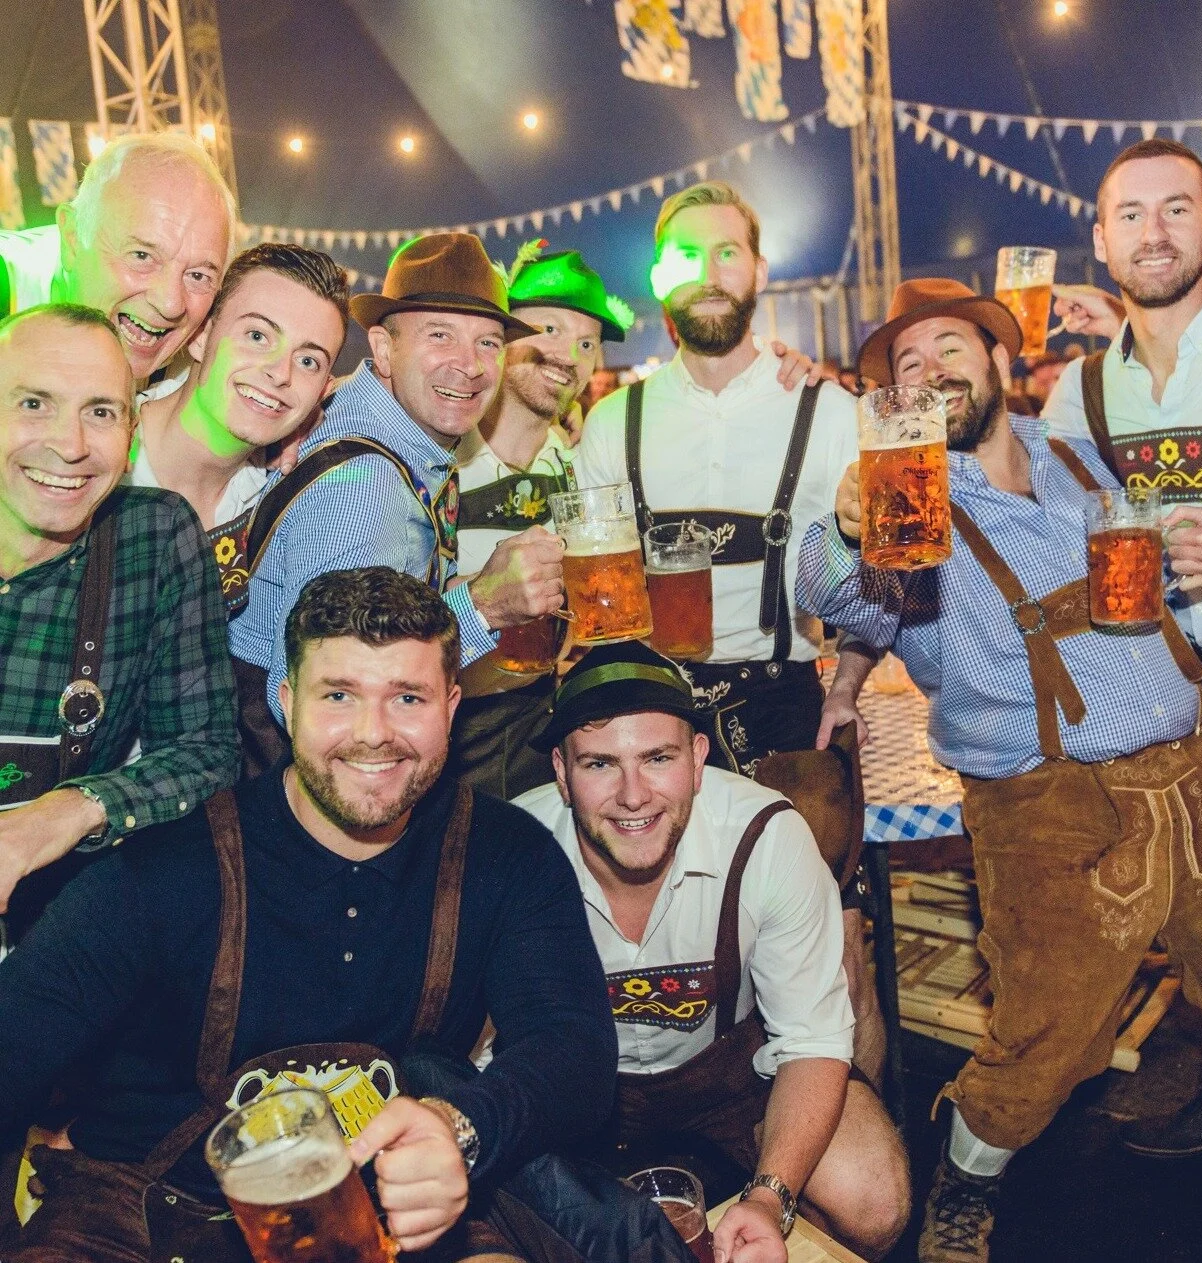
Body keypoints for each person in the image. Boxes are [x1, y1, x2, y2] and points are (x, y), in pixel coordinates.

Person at [796, 277, 1202, 1263]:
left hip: (1194, 760)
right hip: (1050, 800)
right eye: (905, 366)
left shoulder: (1070, 453)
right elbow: (849, 595)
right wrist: (841, 532)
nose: (929, 372)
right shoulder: (905, 494)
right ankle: (964, 1179)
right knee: (1049, 1034)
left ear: (1003, 362)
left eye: (949, 348)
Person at [0, 566, 619, 1262]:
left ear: (450, 706)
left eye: (406, 696)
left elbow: (575, 1050)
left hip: (392, 1199)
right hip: (142, 1208)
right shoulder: (161, 871)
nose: (372, 734)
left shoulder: (506, 852)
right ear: (287, 702)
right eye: (339, 695)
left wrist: (459, 1128)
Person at [576, 180, 889, 1088]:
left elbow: (887, 580)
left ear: (758, 270)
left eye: (727, 253)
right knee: (678, 950)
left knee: (837, 948)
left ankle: (852, 1157)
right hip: (654, 713)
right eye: (687, 255)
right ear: (657, 278)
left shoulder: (827, 413)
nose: (709, 274)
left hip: (788, 703)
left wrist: (850, 678)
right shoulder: (611, 421)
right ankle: (703, 1128)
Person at [515, 640, 911, 1262]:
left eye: (657, 757)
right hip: (575, 1101)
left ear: (698, 759)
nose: (633, 794)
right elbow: (483, 1065)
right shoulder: (515, 855)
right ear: (562, 774)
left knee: (871, 1196)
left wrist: (769, 1198)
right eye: (598, 764)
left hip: (728, 1081)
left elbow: (811, 1040)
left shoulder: (765, 836)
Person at [228, 232, 566, 775]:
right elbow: (334, 688)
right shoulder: (368, 489)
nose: (471, 365)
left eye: (489, 343)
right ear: (384, 349)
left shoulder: (373, 427)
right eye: (441, 336)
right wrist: (484, 604)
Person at [0, 304, 238, 943]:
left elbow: (206, 752)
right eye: (34, 404)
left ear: (132, 432)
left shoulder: (153, 537)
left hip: (50, 935)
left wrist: (65, 812)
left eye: (101, 412)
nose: (70, 445)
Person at [1043, 138, 1202, 786]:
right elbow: (1027, 510)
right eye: (1131, 215)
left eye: (1175, 209)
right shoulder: (1080, 389)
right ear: (1102, 240)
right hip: (1148, 698)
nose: (1154, 233)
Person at [451, 245, 633, 797]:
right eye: (548, 328)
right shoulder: (438, 457)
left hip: (548, 732)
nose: (567, 355)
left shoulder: (576, 467)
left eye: (585, 343)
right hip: (455, 739)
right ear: (501, 333)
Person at [127, 242, 349, 611]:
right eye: (258, 336)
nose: (281, 374)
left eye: (309, 361)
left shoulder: (273, 494)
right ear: (200, 337)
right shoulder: (101, 455)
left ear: (323, 390)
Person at [0, 132, 234, 384]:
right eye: (142, 256)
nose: (170, 304)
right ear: (72, 238)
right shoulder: (9, 283)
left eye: (198, 276)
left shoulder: (200, 373)